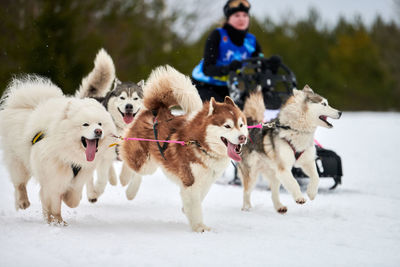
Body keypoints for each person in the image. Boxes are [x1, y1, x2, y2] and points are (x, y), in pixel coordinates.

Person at [192, 0, 263, 104]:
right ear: (229, 18)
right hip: (204, 84)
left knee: (251, 108)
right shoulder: (218, 35)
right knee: (222, 113)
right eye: (237, 15)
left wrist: (270, 65)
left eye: (245, 15)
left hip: (230, 87)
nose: (241, 19)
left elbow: (259, 65)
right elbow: (207, 69)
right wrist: (228, 68)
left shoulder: (251, 41)